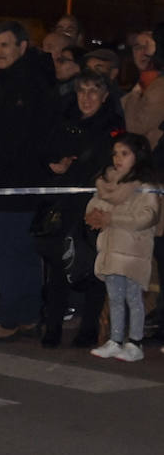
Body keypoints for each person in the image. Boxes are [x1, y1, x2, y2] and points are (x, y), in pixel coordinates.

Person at [0, 22, 58, 343]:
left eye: (6, 45)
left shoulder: (25, 84)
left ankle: (9, 318)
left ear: (22, 47)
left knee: (9, 251)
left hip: (14, 181)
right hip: (17, 180)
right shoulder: (15, 81)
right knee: (21, 251)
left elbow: (15, 137)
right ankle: (27, 314)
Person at [37, 72, 120, 348]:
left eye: (93, 91)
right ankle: (53, 328)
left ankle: (88, 329)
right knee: (59, 267)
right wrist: (53, 166)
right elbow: (44, 154)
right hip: (63, 205)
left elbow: (116, 168)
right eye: (81, 91)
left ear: (105, 96)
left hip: (95, 205)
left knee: (94, 269)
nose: (86, 98)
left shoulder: (113, 128)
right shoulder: (63, 122)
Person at [85, 133, 159, 362]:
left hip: (133, 253)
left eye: (124, 154)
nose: (118, 158)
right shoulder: (108, 183)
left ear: (138, 156)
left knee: (133, 298)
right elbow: (94, 205)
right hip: (111, 250)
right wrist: (95, 214)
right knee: (114, 297)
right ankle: (115, 340)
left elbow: (147, 217)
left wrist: (112, 218)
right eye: (115, 153)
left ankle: (135, 342)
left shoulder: (145, 186)